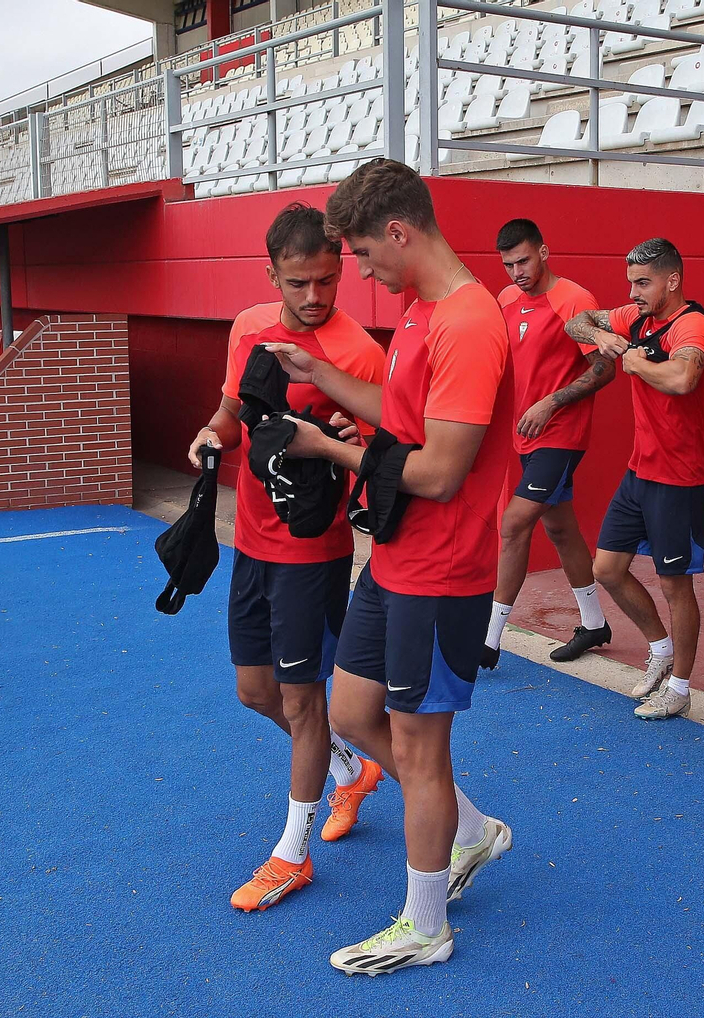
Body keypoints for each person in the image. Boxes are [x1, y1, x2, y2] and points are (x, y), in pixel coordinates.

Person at [262, 160, 514, 975]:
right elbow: (401, 417)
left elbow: (439, 469)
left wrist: (330, 450)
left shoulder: (468, 324)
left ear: (400, 232)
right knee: (352, 710)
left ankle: (426, 924)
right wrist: (320, 376)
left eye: (366, 255)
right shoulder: (419, 312)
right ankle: (472, 833)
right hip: (397, 556)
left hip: (444, 570)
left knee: (417, 744)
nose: (361, 274)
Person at [185, 202, 386, 913]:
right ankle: (347, 769)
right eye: (298, 284)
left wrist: (336, 441)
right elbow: (230, 415)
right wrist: (210, 438)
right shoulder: (246, 328)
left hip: (314, 551)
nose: (314, 297)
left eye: (327, 281)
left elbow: (385, 460)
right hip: (251, 541)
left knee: (304, 700)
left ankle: (291, 854)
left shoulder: (360, 351)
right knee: (255, 692)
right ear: (273, 275)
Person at [565, 239, 704, 721]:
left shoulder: (693, 325)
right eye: (630, 282)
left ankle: (681, 686)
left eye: (643, 282)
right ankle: (661, 649)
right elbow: (576, 322)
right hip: (639, 471)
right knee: (607, 568)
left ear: (672, 280)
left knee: (676, 587)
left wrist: (633, 361)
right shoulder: (637, 317)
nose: (633, 292)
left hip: (680, 477)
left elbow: (682, 379)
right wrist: (604, 337)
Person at [484, 218, 612, 669]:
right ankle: (594, 623)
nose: (517, 271)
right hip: (522, 434)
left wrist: (550, 403)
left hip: (561, 433)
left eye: (523, 260)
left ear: (544, 251)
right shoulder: (505, 299)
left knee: (514, 523)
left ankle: (489, 638)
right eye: (508, 264)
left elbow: (603, 369)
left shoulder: (575, 300)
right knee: (560, 527)